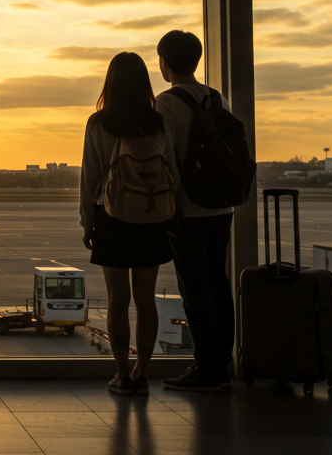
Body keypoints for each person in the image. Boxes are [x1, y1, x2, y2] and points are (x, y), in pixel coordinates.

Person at [79, 52, 179, 395]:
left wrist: (88, 222)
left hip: (112, 217)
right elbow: (171, 173)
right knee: (145, 299)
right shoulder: (157, 123)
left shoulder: (98, 123)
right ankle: (142, 373)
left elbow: (90, 177)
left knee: (117, 299)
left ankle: (121, 374)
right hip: (151, 216)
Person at [155, 30, 235, 392]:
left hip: (188, 211)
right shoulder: (216, 98)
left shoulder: (166, 103)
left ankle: (207, 368)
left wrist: (167, 207)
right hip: (221, 207)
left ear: (164, 63)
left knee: (195, 291)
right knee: (218, 283)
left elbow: (166, 159)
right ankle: (222, 365)